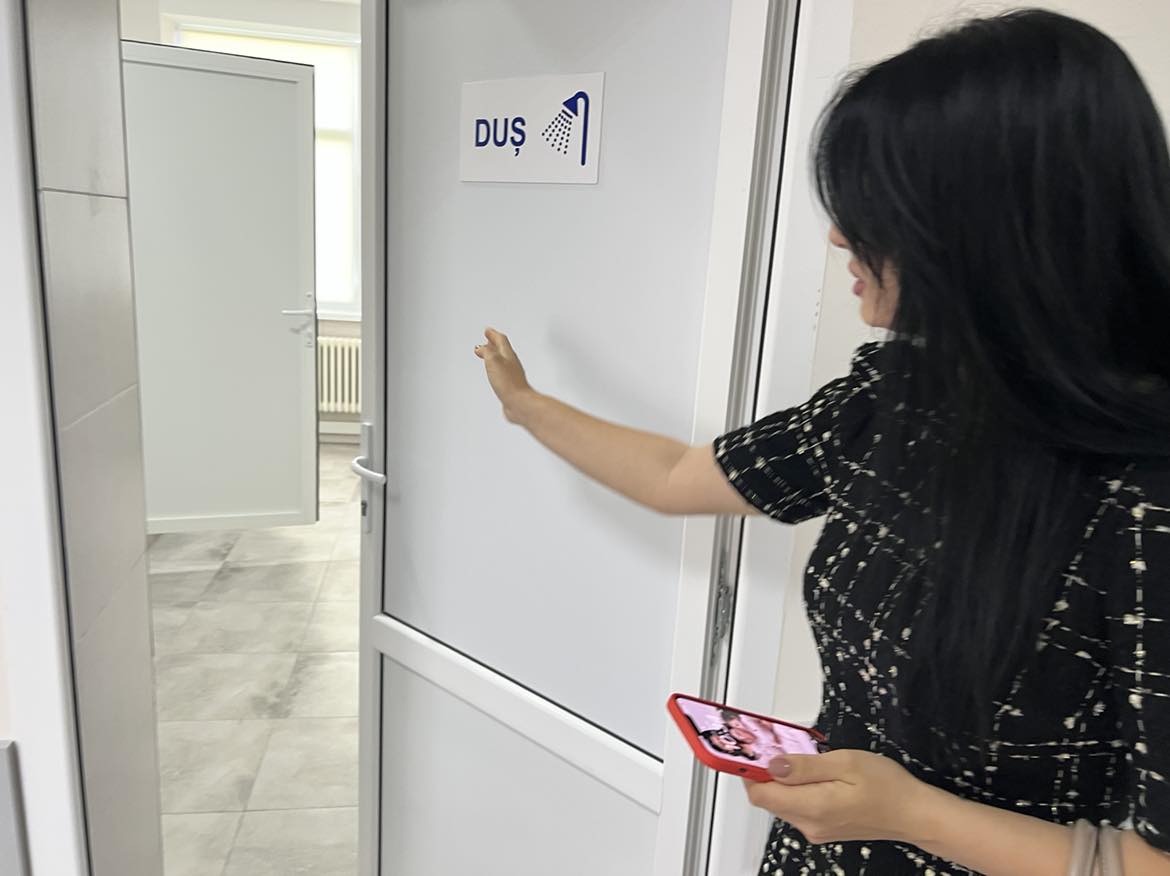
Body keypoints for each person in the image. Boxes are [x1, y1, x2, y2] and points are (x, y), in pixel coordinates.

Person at [475, 8, 1170, 875]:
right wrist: (526, 406)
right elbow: (678, 475)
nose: (840, 235)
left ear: (995, 232)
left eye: (875, 209)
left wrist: (916, 815)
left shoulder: (1146, 499)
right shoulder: (898, 398)